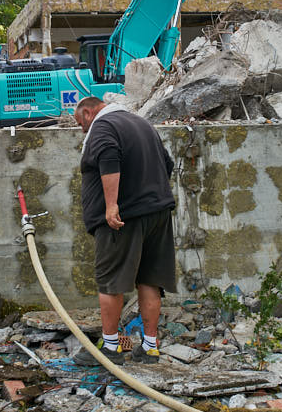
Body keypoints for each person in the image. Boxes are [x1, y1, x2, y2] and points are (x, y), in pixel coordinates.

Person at [72, 96, 176, 365]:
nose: (83, 130)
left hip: (123, 219)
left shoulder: (104, 125)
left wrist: (111, 206)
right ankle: (150, 348)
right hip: (157, 214)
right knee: (150, 280)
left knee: (110, 281)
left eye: (80, 123)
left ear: (88, 112)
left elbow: (109, 156)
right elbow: (167, 164)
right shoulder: (142, 124)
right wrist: (150, 194)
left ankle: (110, 348)